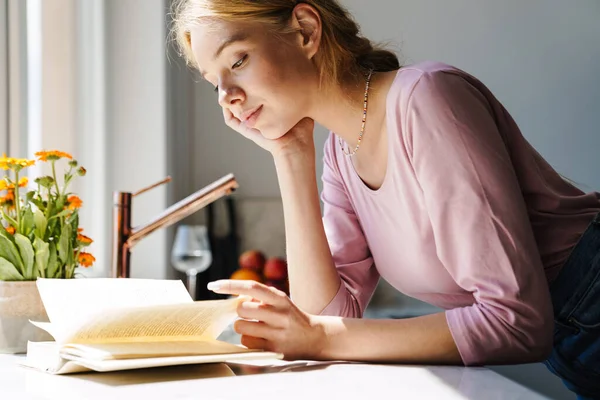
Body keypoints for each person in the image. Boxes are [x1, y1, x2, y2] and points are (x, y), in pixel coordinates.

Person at [170, 0, 600, 397]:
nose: (227, 97)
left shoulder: (427, 98)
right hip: (575, 341)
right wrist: (290, 152)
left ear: (304, 30)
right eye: (214, 84)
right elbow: (328, 313)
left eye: (237, 61)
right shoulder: (341, 152)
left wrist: (318, 335)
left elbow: (517, 323)